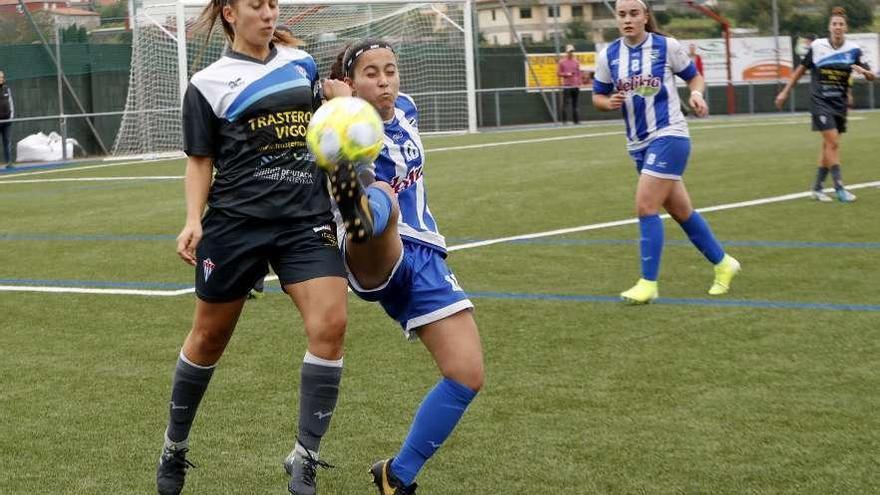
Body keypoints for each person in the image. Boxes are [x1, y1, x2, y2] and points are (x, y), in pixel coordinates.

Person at [154, 1, 350, 494]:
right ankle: (175, 444)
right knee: (208, 339)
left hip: (304, 220)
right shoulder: (207, 83)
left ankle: (305, 458)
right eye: (256, 5)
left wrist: (340, 104)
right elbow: (200, 162)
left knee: (331, 324)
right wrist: (192, 220)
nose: (267, 13)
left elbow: (326, 130)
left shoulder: (300, 66)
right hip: (235, 225)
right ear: (229, 14)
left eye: (272, 4)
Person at [286, 40, 484, 495]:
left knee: (467, 374)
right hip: (375, 249)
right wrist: (339, 102)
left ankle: (397, 476)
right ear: (351, 82)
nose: (384, 81)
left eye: (390, 71)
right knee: (385, 202)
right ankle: (359, 208)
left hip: (428, 258)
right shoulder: (343, 119)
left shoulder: (408, 108)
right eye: (371, 73)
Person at [591, 0, 740, 304]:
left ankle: (648, 283)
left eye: (634, 13)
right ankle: (724, 264)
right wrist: (609, 103)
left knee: (646, 206)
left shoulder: (666, 46)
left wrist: (696, 94)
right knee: (681, 211)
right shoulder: (609, 55)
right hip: (638, 144)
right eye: (622, 15)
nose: (628, 19)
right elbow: (597, 96)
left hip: (670, 135)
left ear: (646, 16)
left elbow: (694, 77)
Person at [775, 7, 875, 203]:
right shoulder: (818, 47)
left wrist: (865, 74)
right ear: (829, 27)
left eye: (841, 24)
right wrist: (785, 92)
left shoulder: (853, 50)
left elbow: (870, 76)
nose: (837, 27)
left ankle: (817, 188)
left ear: (846, 28)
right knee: (833, 143)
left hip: (840, 104)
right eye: (834, 24)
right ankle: (839, 187)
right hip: (820, 101)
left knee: (828, 145)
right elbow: (799, 71)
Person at [557, 44, 582, 124]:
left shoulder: (576, 62)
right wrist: (567, 74)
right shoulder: (562, 62)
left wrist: (579, 82)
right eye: (570, 51)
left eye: (572, 51)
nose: (571, 53)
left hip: (575, 86)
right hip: (567, 86)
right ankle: (564, 121)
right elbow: (558, 73)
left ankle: (576, 121)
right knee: (565, 104)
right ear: (566, 52)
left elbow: (578, 73)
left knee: (575, 104)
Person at [0, 70, 14, 169]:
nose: (1, 79)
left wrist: (11, 116)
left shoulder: (6, 89)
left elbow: (11, 102)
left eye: (2, 77)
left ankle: (9, 162)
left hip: (7, 121)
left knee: (7, 142)